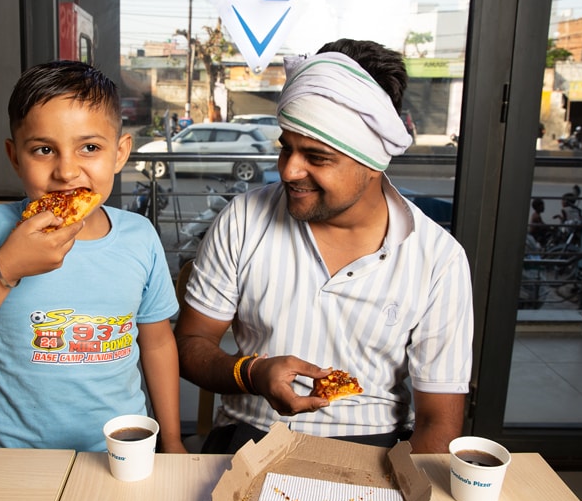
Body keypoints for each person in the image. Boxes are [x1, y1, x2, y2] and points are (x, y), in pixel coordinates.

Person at [174, 38, 474, 455]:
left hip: (376, 446)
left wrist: (411, 500)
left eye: (316, 157)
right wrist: (252, 374)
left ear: (373, 161)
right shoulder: (244, 219)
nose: (289, 170)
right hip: (249, 434)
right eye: (286, 147)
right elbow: (189, 345)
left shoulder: (438, 260)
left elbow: (439, 421)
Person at [0, 60, 186, 453]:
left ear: (120, 153)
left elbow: (157, 344)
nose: (67, 172)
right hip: (15, 459)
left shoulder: (140, 236)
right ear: (14, 156)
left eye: (89, 148)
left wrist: (172, 441)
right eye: (43, 150)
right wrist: (5, 269)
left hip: (120, 451)